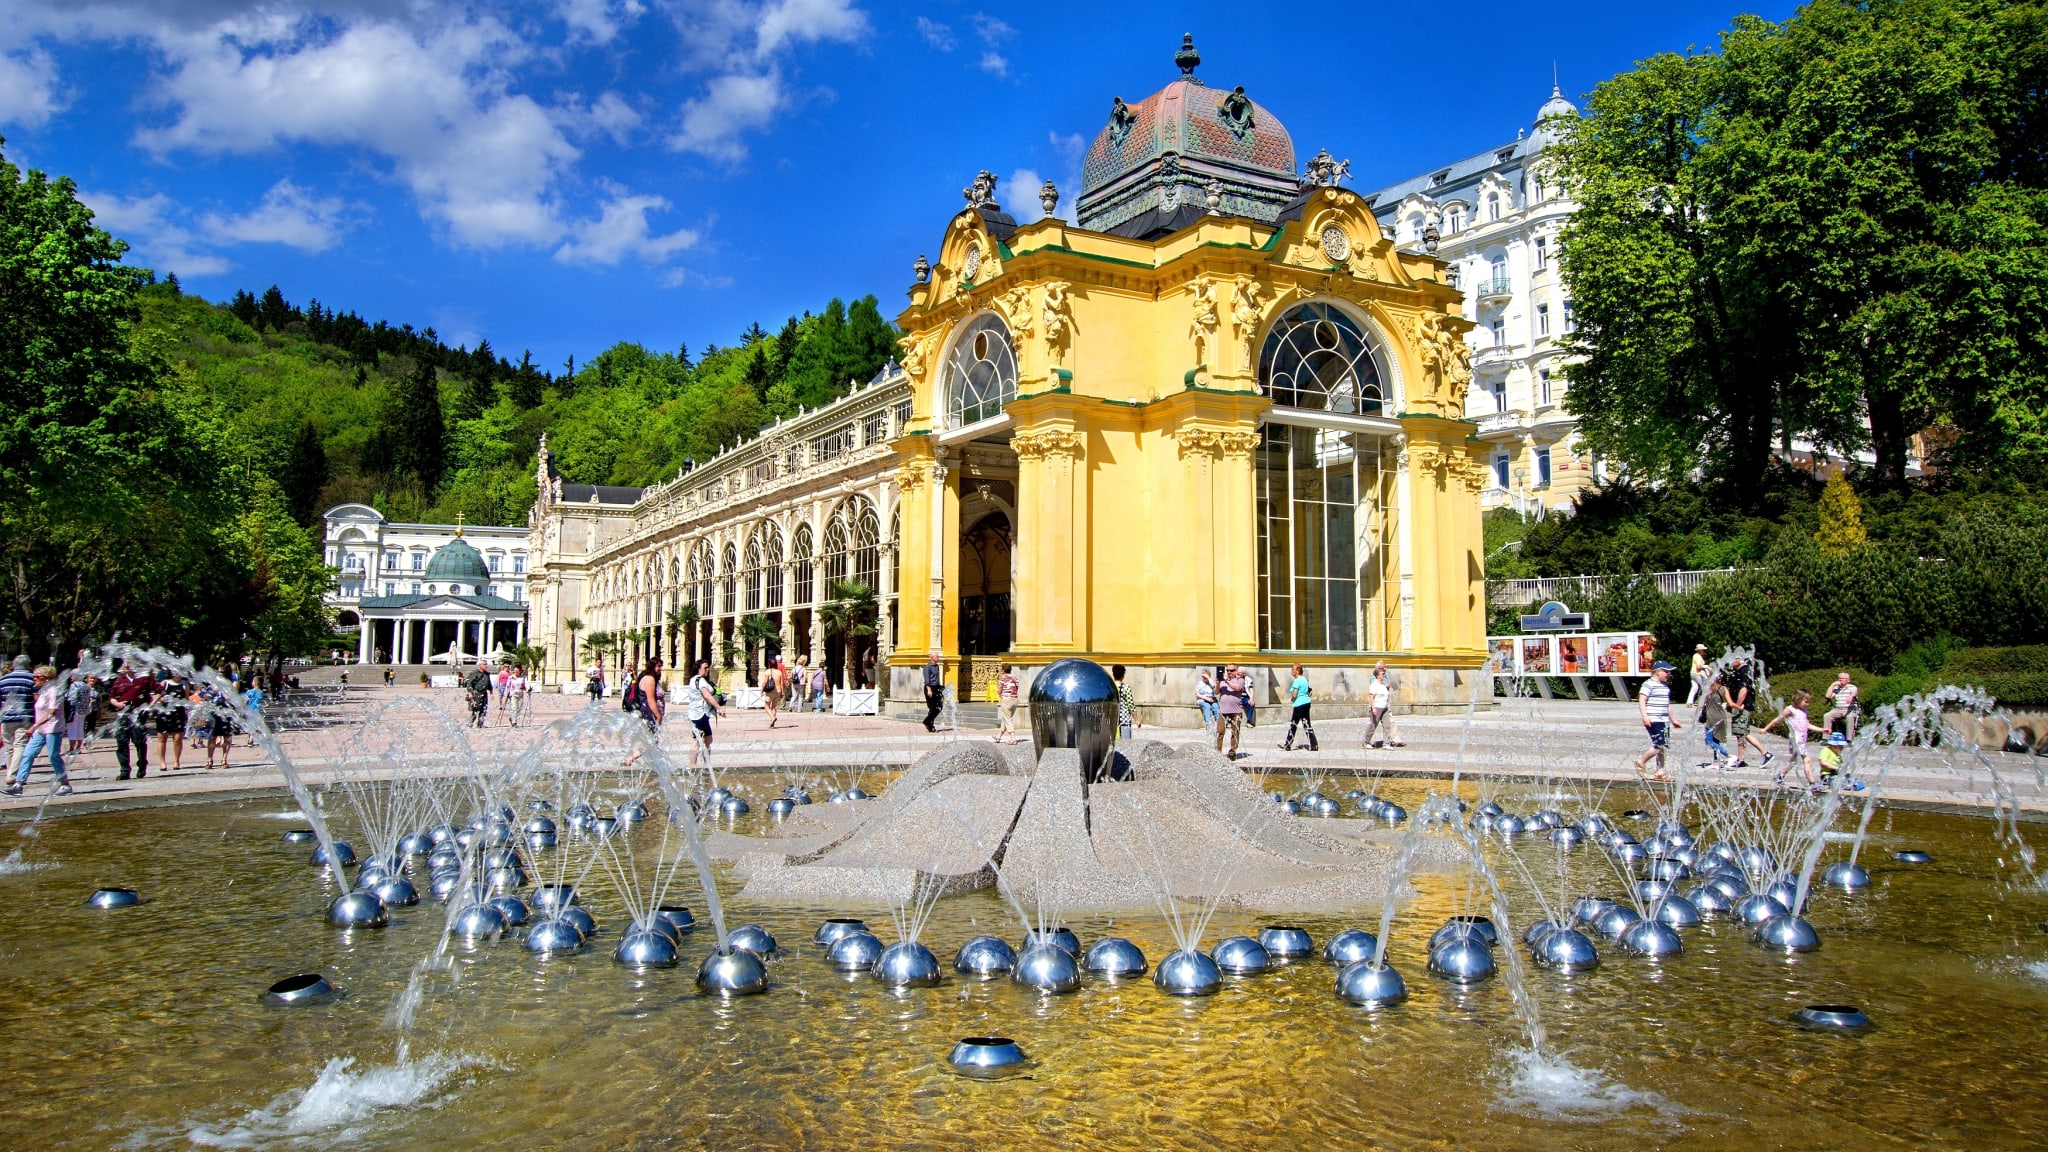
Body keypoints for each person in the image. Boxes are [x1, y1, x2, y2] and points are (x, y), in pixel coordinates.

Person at [5, 666, 70, 796]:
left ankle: (65, 785)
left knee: (53, 756)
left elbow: (52, 712)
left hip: (53, 728)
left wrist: (33, 726)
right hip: (40, 730)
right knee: (28, 754)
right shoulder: (43, 691)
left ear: (45, 679)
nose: (34, 680)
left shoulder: (54, 691)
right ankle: (19, 784)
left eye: (36, 678)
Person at [1761, 688, 1822, 791]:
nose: (1808, 704)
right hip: (1796, 739)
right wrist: (1765, 729)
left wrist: (1822, 730)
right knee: (1807, 760)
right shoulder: (1790, 710)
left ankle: (1780, 776)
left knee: (1793, 760)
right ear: (1798, 699)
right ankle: (1812, 783)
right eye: (1805, 701)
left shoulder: (1803, 711)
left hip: (1801, 739)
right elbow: (1777, 719)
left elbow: (1807, 724)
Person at [1632, 660, 1683, 783]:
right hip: (1653, 719)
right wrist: (1645, 716)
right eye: (1666, 672)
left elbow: (1667, 704)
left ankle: (1660, 772)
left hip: (1664, 720)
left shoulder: (1664, 686)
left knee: (1662, 746)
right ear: (1658, 672)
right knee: (1659, 745)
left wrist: (1673, 720)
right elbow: (1642, 700)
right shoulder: (1648, 684)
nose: (1669, 674)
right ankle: (1642, 761)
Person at [1720, 655, 1771, 770]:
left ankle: (1765, 753)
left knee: (1741, 732)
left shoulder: (1743, 671)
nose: (1730, 662)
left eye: (1733, 659)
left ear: (1739, 660)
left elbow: (1744, 690)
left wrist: (1737, 706)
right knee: (1742, 733)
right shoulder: (1746, 671)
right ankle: (1742, 759)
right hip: (1746, 706)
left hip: (1743, 707)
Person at [106, 661, 152, 780]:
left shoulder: (144, 678)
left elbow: (159, 692)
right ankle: (124, 770)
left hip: (138, 714)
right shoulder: (119, 680)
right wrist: (117, 703)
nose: (127, 666)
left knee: (139, 741)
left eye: (130, 663)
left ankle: (142, 764)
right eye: (126, 664)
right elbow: (111, 697)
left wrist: (150, 706)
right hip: (123, 714)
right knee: (121, 741)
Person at [681, 659, 722, 769]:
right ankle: (693, 766)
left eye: (708, 667)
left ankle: (706, 764)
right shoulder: (700, 680)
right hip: (698, 715)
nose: (707, 669)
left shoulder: (693, 680)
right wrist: (719, 708)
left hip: (700, 714)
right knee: (697, 741)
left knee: (708, 739)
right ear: (699, 669)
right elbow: (707, 696)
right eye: (705, 668)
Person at [0, 655, 37, 775]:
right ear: (28, 665)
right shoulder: (32, 679)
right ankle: (13, 774)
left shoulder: (4, 680)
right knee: (20, 745)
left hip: (6, 717)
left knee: (9, 747)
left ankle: (10, 773)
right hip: (25, 717)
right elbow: (36, 698)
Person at [1361, 662, 1404, 748]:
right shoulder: (1374, 684)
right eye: (1383, 672)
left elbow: (1387, 690)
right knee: (1373, 725)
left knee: (1387, 725)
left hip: (1384, 707)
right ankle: (1366, 742)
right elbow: (1371, 696)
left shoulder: (1383, 684)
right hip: (1377, 707)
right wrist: (1373, 708)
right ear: (1378, 674)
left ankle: (1386, 743)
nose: (1384, 673)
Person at [153, 675, 188, 772]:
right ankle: (162, 762)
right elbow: (156, 696)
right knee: (162, 738)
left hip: (178, 713)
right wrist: (161, 699)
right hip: (164, 713)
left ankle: (176, 760)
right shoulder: (164, 683)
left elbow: (186, 699)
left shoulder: (184, 684)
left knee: (177, 738)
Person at [1281, 663, 1319, 751]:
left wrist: (1292, 700)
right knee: (1306, 724)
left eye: (1293, 669)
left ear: (1297, 671)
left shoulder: (1297, 681)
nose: (1291, 670)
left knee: (1293, 725)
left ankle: (1287, 744)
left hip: (1299, 704)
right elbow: (1309, 691)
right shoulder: (1304, 679)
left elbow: (1294, 694)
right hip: (1306, 703)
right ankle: (1314, 744)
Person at [1214, 664, 1248, 759]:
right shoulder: (1222, 681)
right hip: (1223, 710)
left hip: (1236, 711)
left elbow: (1237, 688)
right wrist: (1217, 683)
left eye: (1232, 670)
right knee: (1220, 732)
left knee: (1235, 732)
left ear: (1236, 671)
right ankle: (1218, 752)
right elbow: (1216, 692)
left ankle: (1232, 752)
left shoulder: (1240, 680)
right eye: (1228, 670)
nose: (1229, 672)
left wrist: (1226, 681)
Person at [64, 672, 97, 758]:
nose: (71, 678)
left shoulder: (74, 685)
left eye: (72, 676)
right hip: (84, 710)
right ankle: (78, 747)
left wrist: (67, 698)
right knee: (80, 729)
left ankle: (72, 748)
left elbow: (72, 698)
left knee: (72, 729)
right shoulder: (86, 686)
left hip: (75, 710)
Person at [1821, 672, 1861, 741]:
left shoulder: (1852, 687)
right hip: (1838, 709)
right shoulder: (1836, 688)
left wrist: (1851, 697)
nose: (1840, 680)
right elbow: (1828, 696)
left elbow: (1854, 693)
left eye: (1842, 679)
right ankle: (1825, 738)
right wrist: (1832, 685)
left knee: (1849, 717)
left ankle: (1849, 739)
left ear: (1848, 680)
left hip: (1850, 709)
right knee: (1827, 716)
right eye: (1839, 679)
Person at [996, 664, 1021, 743]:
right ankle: (998, 736)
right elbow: (1017, 688)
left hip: (1006, 700)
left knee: (1008, 719)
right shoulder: (1015, 678)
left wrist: (999, 694)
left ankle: (1013, 738)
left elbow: (999, 690)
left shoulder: (1003, 678)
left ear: (1003, 670)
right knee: (1006, 719)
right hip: (1015, 700)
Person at [1111, 664, 1137, 741]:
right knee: (1126, 744)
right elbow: (1131, 705)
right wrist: (1137, 720)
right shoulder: (1126, 687)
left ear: (1113, 674)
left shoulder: (1110, 687)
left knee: (1114, 745)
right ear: (1123, 675)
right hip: (1124, 720)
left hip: (1112, 720)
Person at [922, 652, 945, 733]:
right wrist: (929, 689)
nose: (938, 657)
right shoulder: (927, 667)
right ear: (932, 658)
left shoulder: (937, 666)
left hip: (936, 688)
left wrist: (940, 688)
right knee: (932, 708)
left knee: (939, 706)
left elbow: (937, 679)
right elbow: (927, 680)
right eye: (937, 656)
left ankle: (927, 721)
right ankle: (930, 724)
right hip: (930, 688)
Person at [241, 675, 267, 745]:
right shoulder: (261, 692)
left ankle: (250, 739)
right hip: (257, 710)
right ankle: (251, 738)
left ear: (255, 683)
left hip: (249, 710)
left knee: (250, 725)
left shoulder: (249, 692)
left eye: (252, 681)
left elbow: (245, 701)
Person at [1194, 668, 1219, 734]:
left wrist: (1208, 678)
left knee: (1216, 707)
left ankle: (1218, 723)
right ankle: (1208, 724)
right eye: (1203, 676)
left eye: (1205, 676)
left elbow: (1214, 686)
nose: (1204, 678)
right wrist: (1206, 698)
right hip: (1202, 699)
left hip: (1211, 699)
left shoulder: (1210, 682)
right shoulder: (1200, 683)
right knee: (1207, 706)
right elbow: (1197, 694)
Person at [761, 661, 782, 730]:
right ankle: (772, 723)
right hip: (778, 691)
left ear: (769, 664)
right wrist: (782, 692)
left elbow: (765, 681)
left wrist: (762, 689)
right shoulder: (779, 672)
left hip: (770, 691)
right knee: (774, 707)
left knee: (766, 706)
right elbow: (781, 683)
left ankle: (772, 718)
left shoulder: (768, 672)